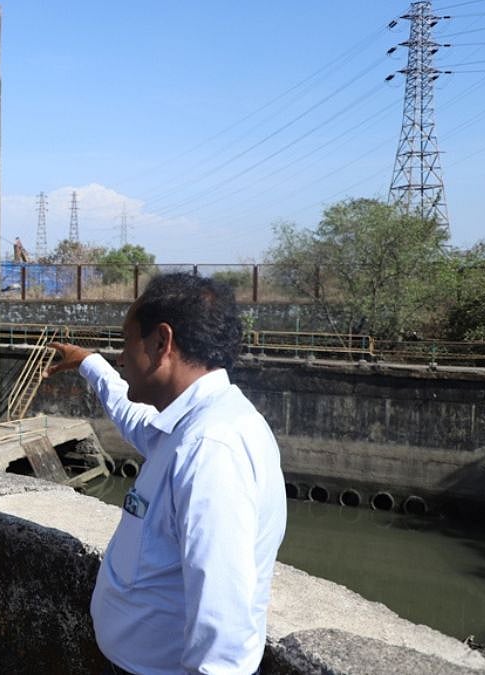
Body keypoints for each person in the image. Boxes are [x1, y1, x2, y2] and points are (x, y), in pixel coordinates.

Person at [44, 273, 286, 675]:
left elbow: (223, 625)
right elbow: (132, 417)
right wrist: (90, 365)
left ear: (161, 343)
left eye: (126, 342)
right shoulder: (188, 425)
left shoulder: (211, 447)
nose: (122, 358)